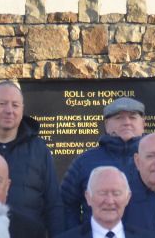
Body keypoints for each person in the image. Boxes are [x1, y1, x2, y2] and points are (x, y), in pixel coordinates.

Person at [0, 81, 67, 238]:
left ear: (22, 110)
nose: (9, 110)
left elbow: (53, 206)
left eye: (15, 105)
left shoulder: (39, 150)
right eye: (2, 104)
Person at [59, 95, 146, 227]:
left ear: (143, 124)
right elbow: (65, 204)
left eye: (132, 117)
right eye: (119, 118)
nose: (127, 122)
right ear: (107, 124)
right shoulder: (84, 162)